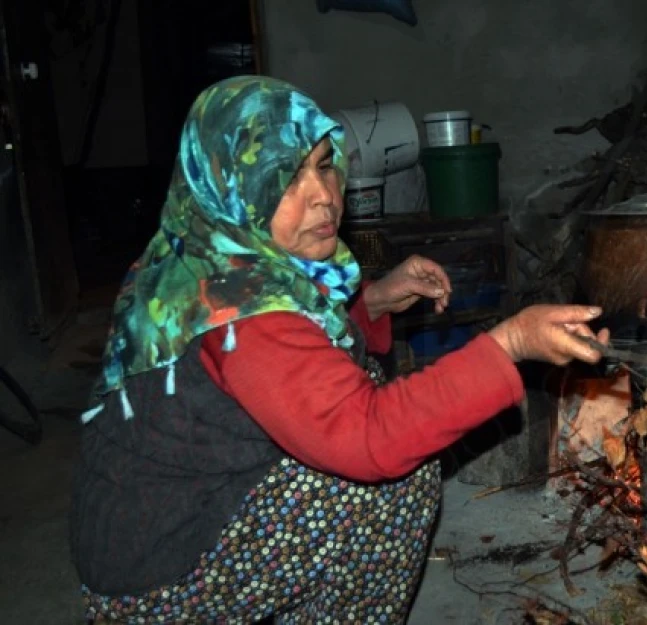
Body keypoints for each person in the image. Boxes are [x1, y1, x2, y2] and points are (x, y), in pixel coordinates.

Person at [70, 75, 609, 624]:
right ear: (234, 184)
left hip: (148, 522)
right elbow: (368, 437)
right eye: (286, 177)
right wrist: (511, 343)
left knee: (359, 433)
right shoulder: (241, 314)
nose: (324, 195)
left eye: (324, 164)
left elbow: (290, 357)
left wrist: (372, 302)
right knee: (394, 480)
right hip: (158, 575)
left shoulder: (203, 254)